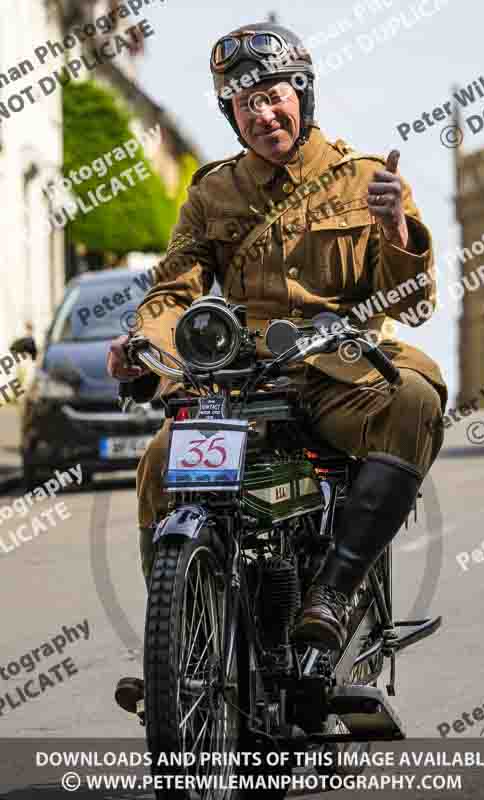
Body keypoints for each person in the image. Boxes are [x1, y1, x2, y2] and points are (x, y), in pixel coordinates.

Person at [107, 22, 447, 712]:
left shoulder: (364, 181)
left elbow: (411, 303)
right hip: (241, 380)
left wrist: (395, 232)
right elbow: (174, 290)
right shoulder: (212, 194)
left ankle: (331, 590)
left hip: (338, 369)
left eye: (271, 95)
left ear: (301, 94)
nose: (261, 112)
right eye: (243, 103)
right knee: (160, 461)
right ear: (229, 115)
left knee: (412, 395)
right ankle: (182, 644)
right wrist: (141, 340)